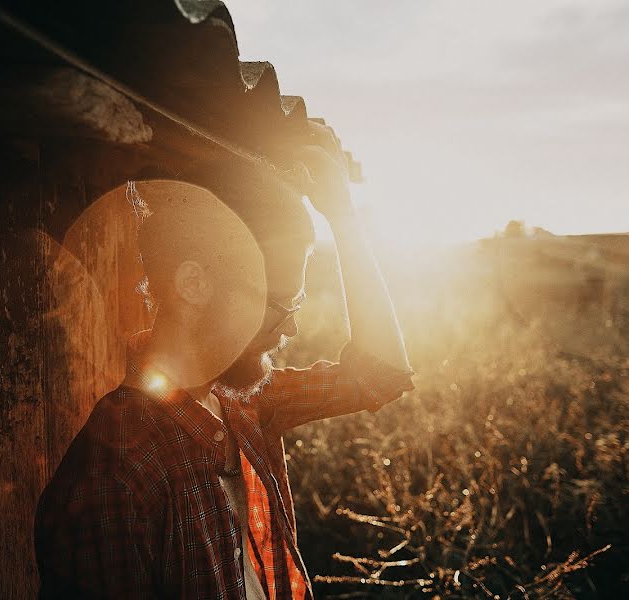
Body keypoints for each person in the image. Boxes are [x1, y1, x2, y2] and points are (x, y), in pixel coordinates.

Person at [34, 145, 415, 599]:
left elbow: (381, 375)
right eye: (277, 305)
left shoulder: (246, 400)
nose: (290, 325)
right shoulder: (112, 480)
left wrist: (343, 217)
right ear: (193, 284)